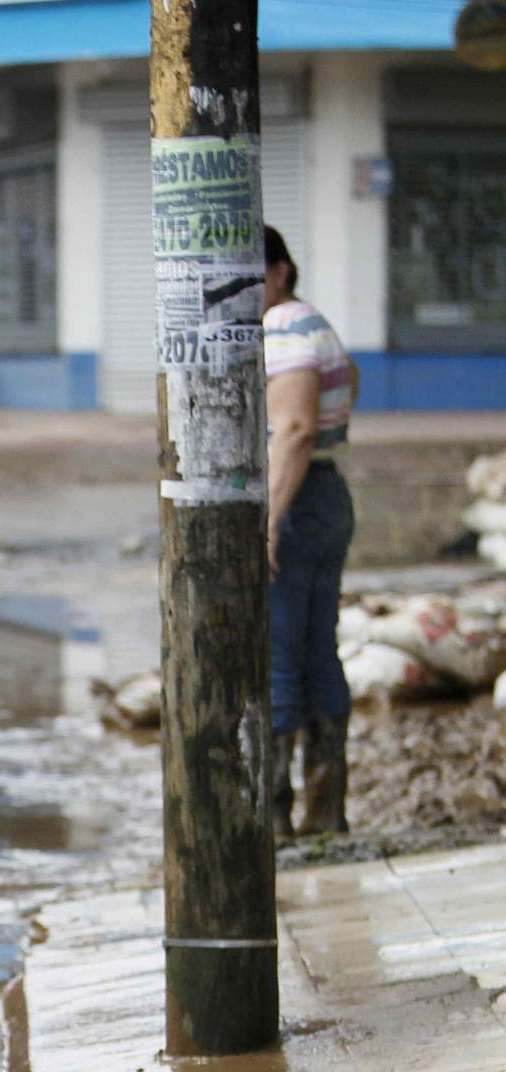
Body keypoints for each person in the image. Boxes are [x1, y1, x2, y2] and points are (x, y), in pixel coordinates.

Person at [263, 224, 359, 840]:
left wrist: (269, 520)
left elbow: (295, 429)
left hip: (296, 502)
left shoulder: (283, 327)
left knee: (278, 656)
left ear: (279, 271)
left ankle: (273, 820)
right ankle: (326, 812)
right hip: (327, 494)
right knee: (319, 649)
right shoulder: (315, 323)